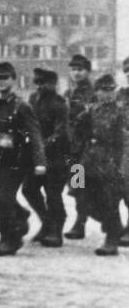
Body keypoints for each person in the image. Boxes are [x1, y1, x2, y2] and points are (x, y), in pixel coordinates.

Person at [0, 61, 45, 256]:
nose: (0, 81)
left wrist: (40, 162)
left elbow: (35, 135)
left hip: (15, 161)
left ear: (14, 80)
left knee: (3, 199)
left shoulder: (21, 105)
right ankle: (20, 216)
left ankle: (10, 239)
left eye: (5, 77)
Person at [72, 74, 125, 255]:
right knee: (80, 195)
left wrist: (120, 167)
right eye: (104, 90)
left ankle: (111, 239)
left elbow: (123, 142)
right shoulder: (91, 110)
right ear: (96, 92)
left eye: (111, 90)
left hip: (108, 162)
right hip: (85, 162)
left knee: (109, 200)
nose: (108, 94)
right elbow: (78, 132)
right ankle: (110, 226)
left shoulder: (120, 113)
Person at [23, 67, 70, 247]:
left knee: (53, 194)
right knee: (29, 189)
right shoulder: (33, 99)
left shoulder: (60, 104)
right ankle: (47, 222)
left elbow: (61, 132)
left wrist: (41, 145)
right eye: (38, 83)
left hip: (57, 157)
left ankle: (56, 230)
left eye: (44, 83)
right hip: (36, 157)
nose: (40, 87)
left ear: (53, 84)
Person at [63, 53, 97, 239]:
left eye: (80, 70)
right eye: (74, 70)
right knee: (77, 185)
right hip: (72, 148)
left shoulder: (92, 94)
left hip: (87, 148)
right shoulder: (69, 93)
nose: (76, 73)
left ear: (88, 71)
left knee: (81, 185)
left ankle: (80, 223)